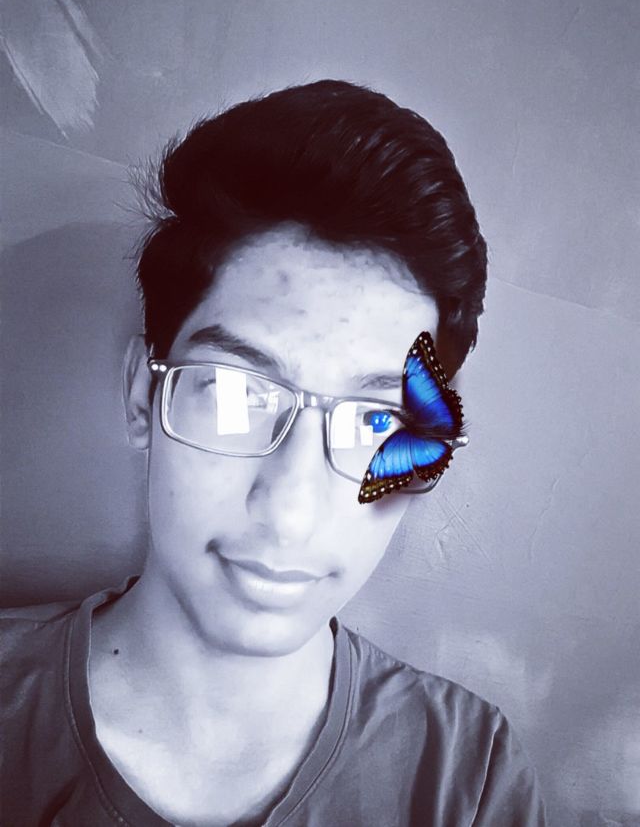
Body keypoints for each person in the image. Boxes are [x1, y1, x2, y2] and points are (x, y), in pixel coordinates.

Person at [1, 80, 546, 826]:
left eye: (377, 421)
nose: (290, 511)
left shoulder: (468, 777)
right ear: (142, 395)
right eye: (237, 393)